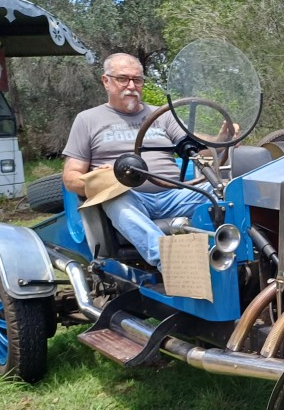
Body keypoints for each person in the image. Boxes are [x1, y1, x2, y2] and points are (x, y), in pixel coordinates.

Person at [62, 53, 211, 270]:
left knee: (221, 192)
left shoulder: (162, 115)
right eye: (123, 79)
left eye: (137, 80)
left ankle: (233, 257)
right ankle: (171, 264)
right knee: (116, 198)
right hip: (128, 196)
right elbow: (70, 178)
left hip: (174, 194)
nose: (131, 86)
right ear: (106, 81)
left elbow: (197, 148)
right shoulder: (87, 120)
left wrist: (223, 140)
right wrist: (98, 179)